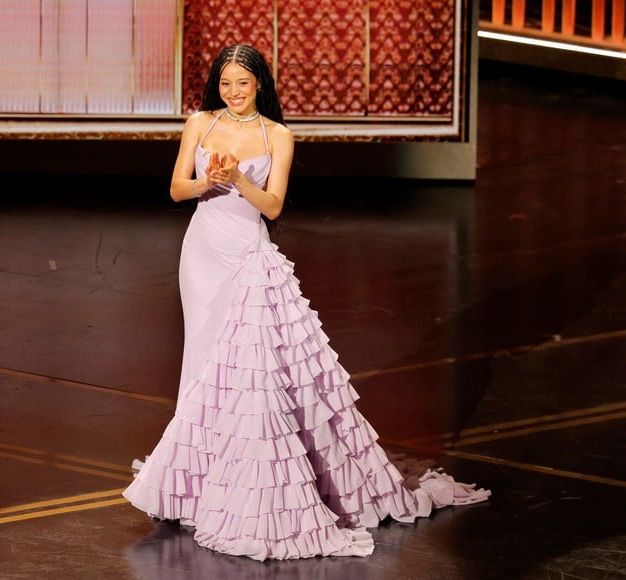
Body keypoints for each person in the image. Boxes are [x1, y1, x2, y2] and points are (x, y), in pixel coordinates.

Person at [122, 43, 490, 561]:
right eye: (226, 83)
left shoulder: (278, 135)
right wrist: (210, 179)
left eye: (243, 84)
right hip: (200, 256)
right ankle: (198, 480)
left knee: (251, 368)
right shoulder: (199, 123)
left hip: (246, 254)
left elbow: (273, 204)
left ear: (259, 85)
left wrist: (242, 181)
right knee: (203, 362)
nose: (233, 93)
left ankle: (242, 481)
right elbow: (177, 190)